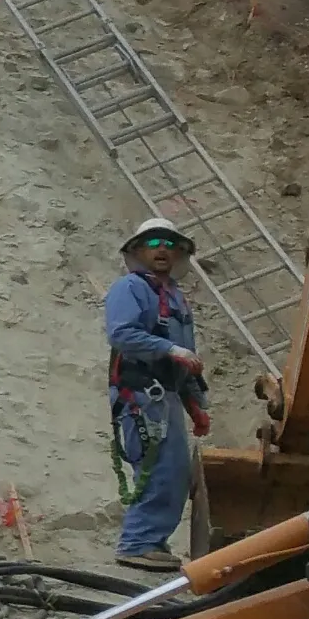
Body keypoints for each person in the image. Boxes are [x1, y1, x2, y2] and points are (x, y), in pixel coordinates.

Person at [104, 218, 213, 570]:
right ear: (137, 251)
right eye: (152, 243)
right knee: (157, 467)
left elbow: (187, 361)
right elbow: (122, 334)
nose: (161, 248)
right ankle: (138, 542)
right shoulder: (130, 288)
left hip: (166, 395)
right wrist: (169, 349)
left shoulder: (175, 299)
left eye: (168, 243)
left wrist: (196, 406)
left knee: (175, 471)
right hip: (141, 395)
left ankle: (153, 541)